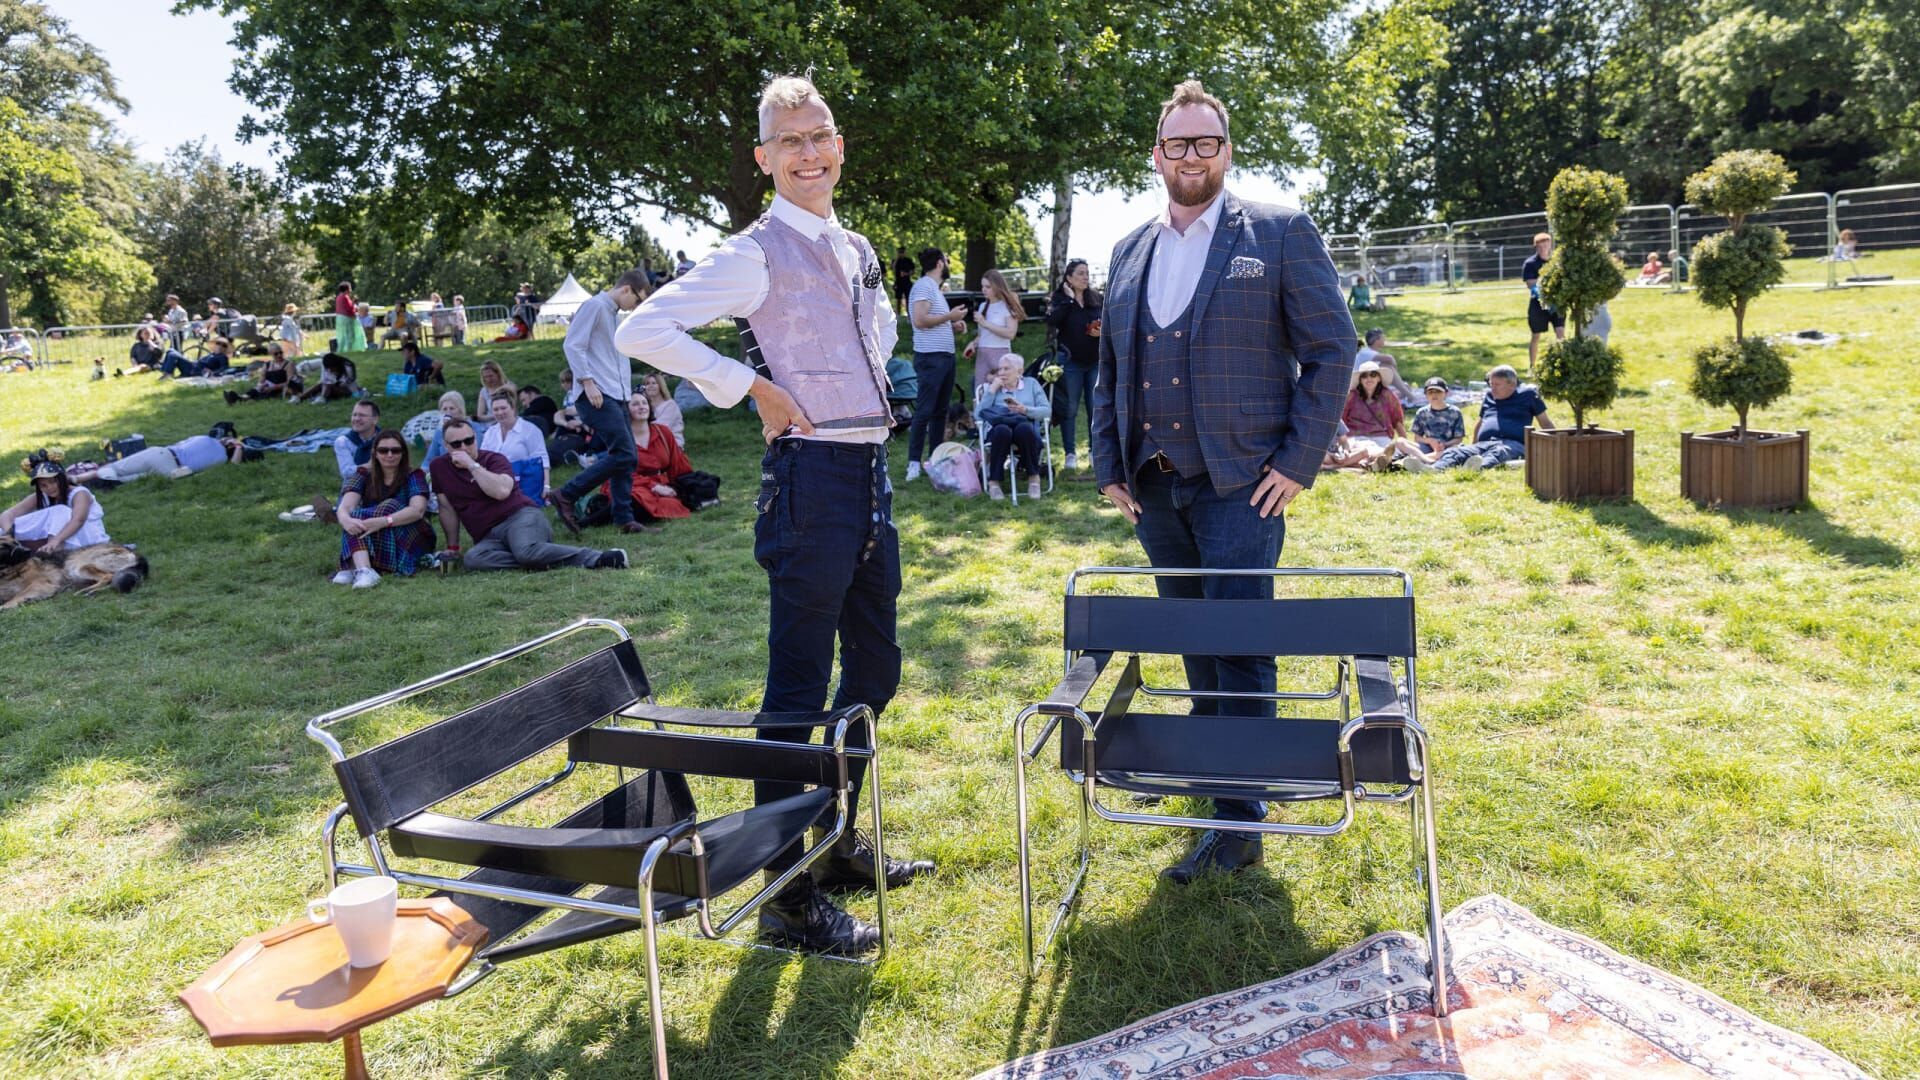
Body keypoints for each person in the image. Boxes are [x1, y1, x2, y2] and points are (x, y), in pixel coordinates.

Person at [614, 73, 934, 956]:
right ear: (764, 159)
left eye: (819, 135)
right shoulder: (752, 253)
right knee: (796, 692)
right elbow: (641, 331)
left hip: (868, 473)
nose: (808, 152)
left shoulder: (855, 245)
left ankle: (832, 837)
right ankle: (786, 897)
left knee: (875, 670)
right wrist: (752, 385)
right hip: (808, 482)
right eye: (789, 141)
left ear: (840, 145)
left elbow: (875, 335)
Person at [1092, 79, 1354, 884]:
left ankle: (1239, 822)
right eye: (1178, 143)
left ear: (1227, 150)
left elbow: (1333, 350)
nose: (1192, 156)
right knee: (1194, 647)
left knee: (1239, 650)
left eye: (1206, 142)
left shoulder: (1277, 231)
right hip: (1153, 488)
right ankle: (1217, 785)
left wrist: (1297, 463)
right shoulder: (1128, 250)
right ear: (1157, 154)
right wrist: (1109, 467)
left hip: (1243, 483)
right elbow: (1109, 368)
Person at [430, 418, 627, 573]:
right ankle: (539, 556)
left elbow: (501, 492)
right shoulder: (439, 467)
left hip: (520, 517)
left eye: (469, 441)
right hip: (488, 537)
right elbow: (446, 507)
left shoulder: (494, 459)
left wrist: (472, 466)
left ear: (476, 438)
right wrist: (453, 547)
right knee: (473, 560)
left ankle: (598, 558)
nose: (464, 447)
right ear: (446, 446)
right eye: (456, 444)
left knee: (525, 551)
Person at [549, 270, 651, 535]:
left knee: (626, 457)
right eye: (638, 300)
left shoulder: (614, 315)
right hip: (596, 394)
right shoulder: (594, 306)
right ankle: (566, 494)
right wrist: (587, 382)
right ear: (626, 289)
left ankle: (624, 518)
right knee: (625, 454)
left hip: (616, 395)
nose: (636, 306)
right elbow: (573, 345)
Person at [332, 429, 436, 588]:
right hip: (372, 531)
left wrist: (384, 521)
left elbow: (417, 510)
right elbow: (345, 506)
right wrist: (345, 520)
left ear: (403, 453)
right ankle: (364, 570)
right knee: (353, 517)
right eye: (383, 450)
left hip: (412, 532)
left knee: (390, 505)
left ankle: (352, 566)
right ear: (375, 453)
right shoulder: (363, 474)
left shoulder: (414, 475)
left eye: (395, 450)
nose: (389, 455)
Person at [903, 247, 969, 482]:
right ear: (940, 263)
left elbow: (932, 321)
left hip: (945, 357)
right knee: (925, 410)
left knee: (941, 411)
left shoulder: (935, 289)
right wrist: (950, 317)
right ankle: (913, 463)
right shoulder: (924, 286)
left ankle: (935, 459)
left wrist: (952, 325)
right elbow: (920, 320)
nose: (948, 264)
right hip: (931, 358)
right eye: (947, 261)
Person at [1426, 363, 1555, 470]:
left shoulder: (1528, 395)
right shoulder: (1489, 396)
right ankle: (1434, 469)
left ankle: (1475, 468)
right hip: (1485, 442)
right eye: (1491, 384)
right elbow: (1480, 422)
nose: (1492, 389)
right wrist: (1474, 446)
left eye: (1497, 385)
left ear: (1512, 384)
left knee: (1499, 452)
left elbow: (1545, 422)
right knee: (1454, 452)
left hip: (1513, 444)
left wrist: (1555, 445)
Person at [1044, 258, 1102, 472]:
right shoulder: (1060, 299)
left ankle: (1095, 451)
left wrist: (1100, 330)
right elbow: (1052, 320)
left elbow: (1106, 320)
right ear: (1069, 278)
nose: (1085, 277)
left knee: (1095, 407)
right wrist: (1069, 300)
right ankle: (1070, 453)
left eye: (1087, 273)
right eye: (1080, 273)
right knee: (1069, 408)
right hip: (1070, 362)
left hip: (1094, 361)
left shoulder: (1095, 298)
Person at [974, 354, 1050, 501]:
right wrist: (992, 390)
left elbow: (1046, 411)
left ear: (1019, 371)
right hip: (999, 429)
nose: (1001, 373)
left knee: (1024, 429)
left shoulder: (1031, 384)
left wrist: (1025, 410)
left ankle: (1034, 478)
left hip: (1025, 428)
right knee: (1002, 430)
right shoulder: (993, 388)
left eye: (1006, 369)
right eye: (1000, 369)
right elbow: (978, 416)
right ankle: (994, 482)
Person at [609, 393, 692, 524]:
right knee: (635, 497)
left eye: (644, 403)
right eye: (635, 404)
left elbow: (677, 463)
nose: (642, 407)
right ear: (626, 410)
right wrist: (653, 486)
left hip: (661, 482)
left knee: (671, 502)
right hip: (631, 483)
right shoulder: (621, 437)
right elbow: (621, 472)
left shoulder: (663, 432)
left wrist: (686, 485)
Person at [1, 461, 109, 551]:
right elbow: (7, 514)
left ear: (61, 479)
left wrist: (56, 540)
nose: (49, 487)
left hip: (89, 539)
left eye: (52, 482)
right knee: (2, 530)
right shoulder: (42, 496)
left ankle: (52, 551)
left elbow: (78, 520)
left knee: (60, 511)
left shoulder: (80, 494)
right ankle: (17, 548)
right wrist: (10, 533)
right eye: (43, 485)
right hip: (62, 539)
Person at [69, 435, 258, 486]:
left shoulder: (204, 438)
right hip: (174, 472)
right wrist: (239, 447)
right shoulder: (223, 459)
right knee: (122, 480)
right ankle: (95, 483)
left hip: (161, 453)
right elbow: (233, 466)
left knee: (115, 467)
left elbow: (180, 443)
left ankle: (77, 479)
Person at [482, 389, 552, 503]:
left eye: (503, 408)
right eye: (496, 409)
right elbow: (483, 459)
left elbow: (542, 459)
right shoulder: (489, 433)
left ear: (513, 408)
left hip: (524, 481)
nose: (499, 412)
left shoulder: (530, 430)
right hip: (496, 480)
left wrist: (546, 486)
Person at [965, 268, 1024, 389]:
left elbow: (1011, 333)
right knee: (981, 390)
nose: (984, 290)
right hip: (983, 354)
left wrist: (985, 323)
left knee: (1002, 389)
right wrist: (974, 344)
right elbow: (982, 334)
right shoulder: (983, 306)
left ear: (997, 287)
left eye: (988, 287)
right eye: (982, 286)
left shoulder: (1007, 306)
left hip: (1000, 353)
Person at [1341, 361, 1404, 471]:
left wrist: (1404, 439)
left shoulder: (1387, 395)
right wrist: (1341, 442)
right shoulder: (1351, 396)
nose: (1369, 378)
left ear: (1379, 378)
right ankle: (1381, 461)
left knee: (1394, 450)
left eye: (1373, 375)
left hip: (1382, 435)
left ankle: (1378, 462)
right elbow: (1342, 421)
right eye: (1364, 376)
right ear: (1360, 380)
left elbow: (1397, 420)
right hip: (1357, 436)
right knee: (1366, 449)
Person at [1393, 377, 1466, 471]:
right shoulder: (1422, 412)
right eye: (1430, 392)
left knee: (1458, 449)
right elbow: (1417, 438)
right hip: (1427, 447)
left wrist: (1444, 444)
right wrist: (1430, 441)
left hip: (1447, 447)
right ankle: (1428, 460)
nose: (1434, 395)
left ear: (1446, 393)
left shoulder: (1455, 412)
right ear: (1426, 395)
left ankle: (1415, 460)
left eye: (1438, 392)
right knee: (1400, 441)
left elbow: (1458, 439)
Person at [1522, 232, 1565, 369]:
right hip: (1538, 303)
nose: (1543, 249)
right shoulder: (1530, 263)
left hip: (1557, 302)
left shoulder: (1557, 262)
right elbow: (1530, 283)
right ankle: (1532, 366)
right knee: (1536, 335)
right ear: (1535, 247)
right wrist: (1547, 281)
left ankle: (1562, 364)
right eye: (1540, 246)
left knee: (1560, 333)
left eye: (1545, 246)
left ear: (1550, 245)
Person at [225, 345, 303, 403]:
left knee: (266, 393)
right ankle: (241, 397)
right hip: (269, 387)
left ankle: (242, 399)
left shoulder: (288, 364)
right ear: (271, 354)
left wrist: (274, 387)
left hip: (281, 388)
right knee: (256, 390)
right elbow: (261, 381)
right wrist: (261, 385)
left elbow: (291, 383)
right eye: (276, 354)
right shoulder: (267, 365)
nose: (279, 355)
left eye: (280, 352)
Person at [334, 399, 382, 481]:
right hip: (353, 486)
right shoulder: (343, 442)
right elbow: (346, 473)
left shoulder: (386, 441)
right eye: (354, 415)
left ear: (375, 419)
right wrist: (370, 466)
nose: (356, 419)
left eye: (362, 415)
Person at [640, 372, 684, 447]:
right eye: (647, 383)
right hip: (651, 444)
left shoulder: (670, 405)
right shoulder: (645, 406)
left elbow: (661, 428)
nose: (650, 386)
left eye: (654, 383)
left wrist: (640, 428)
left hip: (671, 446)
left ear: (661, 386)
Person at [129, 326, 194, 377]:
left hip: (154, 365)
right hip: (139, 365)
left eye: (149, 333)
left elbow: (159, 353)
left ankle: (126, 373)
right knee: (140, 366)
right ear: (141, 335)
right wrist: (135, 364)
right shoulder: (136, 345)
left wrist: (150, 343)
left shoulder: (158, 343)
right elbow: (132, 357)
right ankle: (127, 372)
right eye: (145, 333)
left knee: (143, 366)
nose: (147, 335)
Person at [333, 282, 364, 352]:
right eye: (350, 288)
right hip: (346, 318)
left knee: (343, 336)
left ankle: (341, 350)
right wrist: (354, 304)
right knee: (350, 335)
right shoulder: (345, 297)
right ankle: (349, 350)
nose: (351, 290)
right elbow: (349, 309)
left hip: (339, 318)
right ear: (347, 289)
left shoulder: (338, 297)